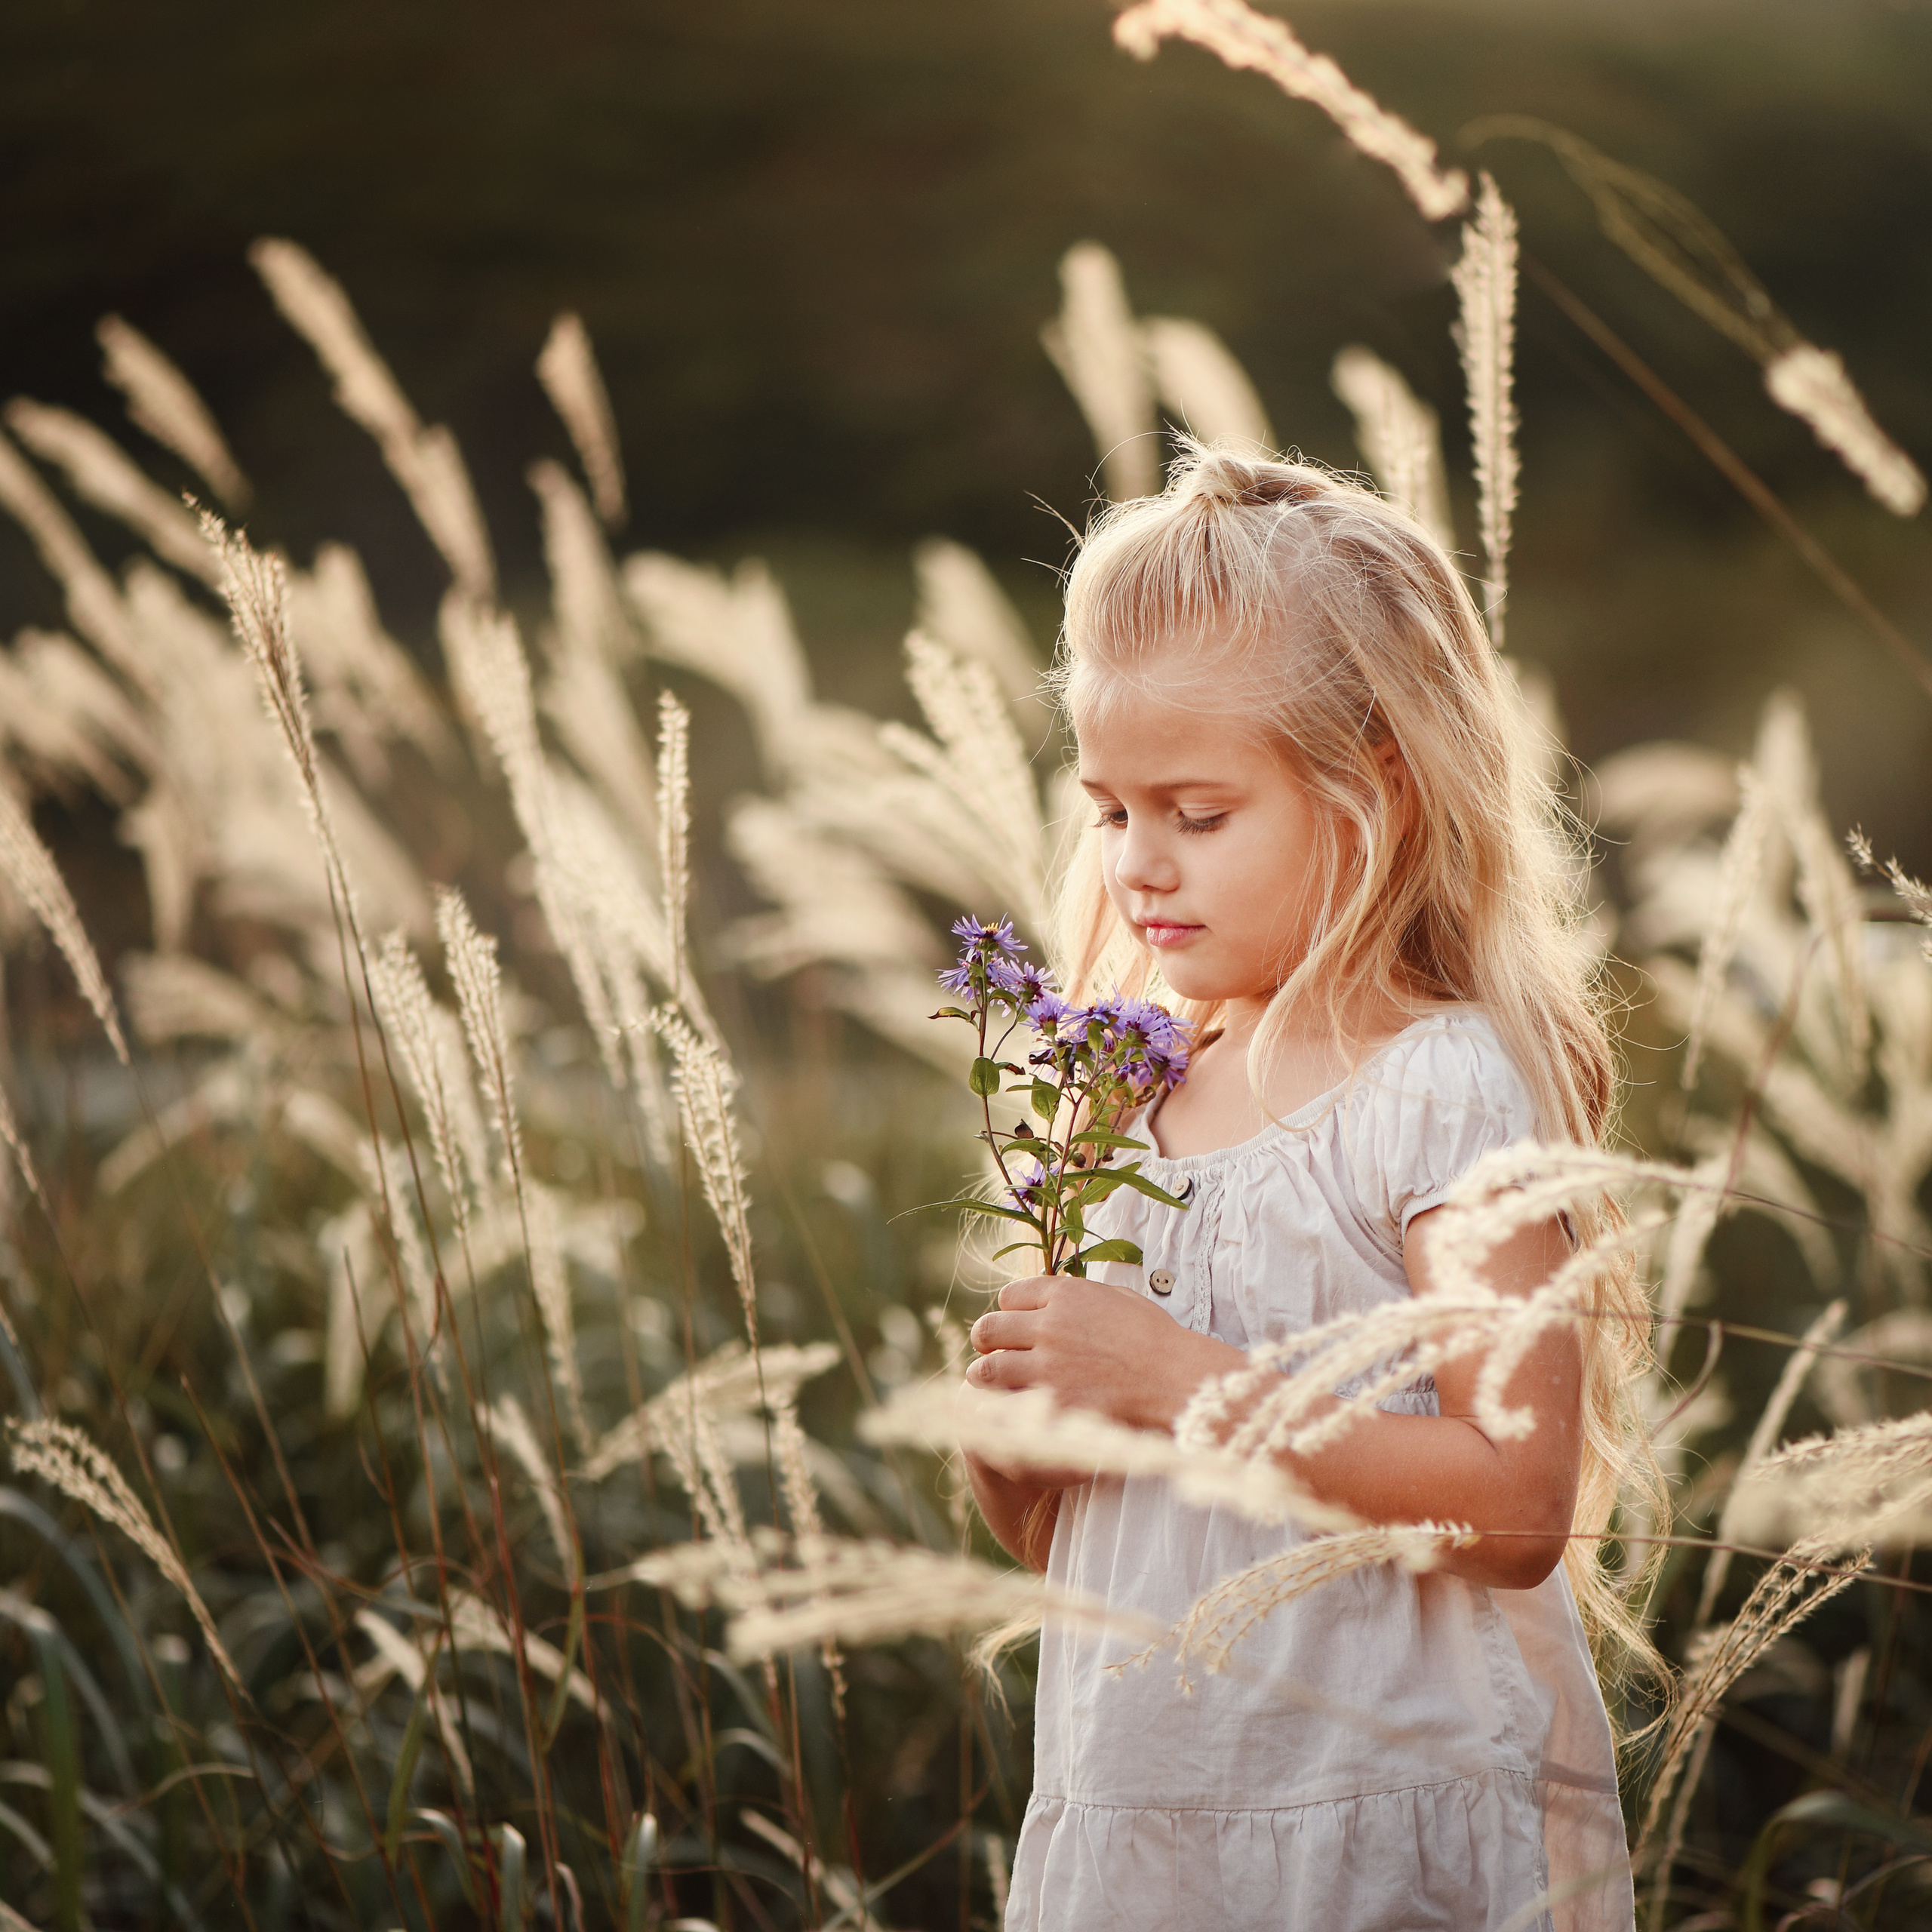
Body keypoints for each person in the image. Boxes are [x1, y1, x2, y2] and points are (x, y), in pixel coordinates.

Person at [964, 442, 1659, 1932]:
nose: (1139, 864)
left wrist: (1173, 1376)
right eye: (1107, 808)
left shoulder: (1435, 1086)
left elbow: (1515, 1497)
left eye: (1197, 812)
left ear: (1373, 797)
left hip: (1370, 1833)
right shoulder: (1119, 1102)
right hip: (1147, 1823)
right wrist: (1019, 1431)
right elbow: (1070, 1532)